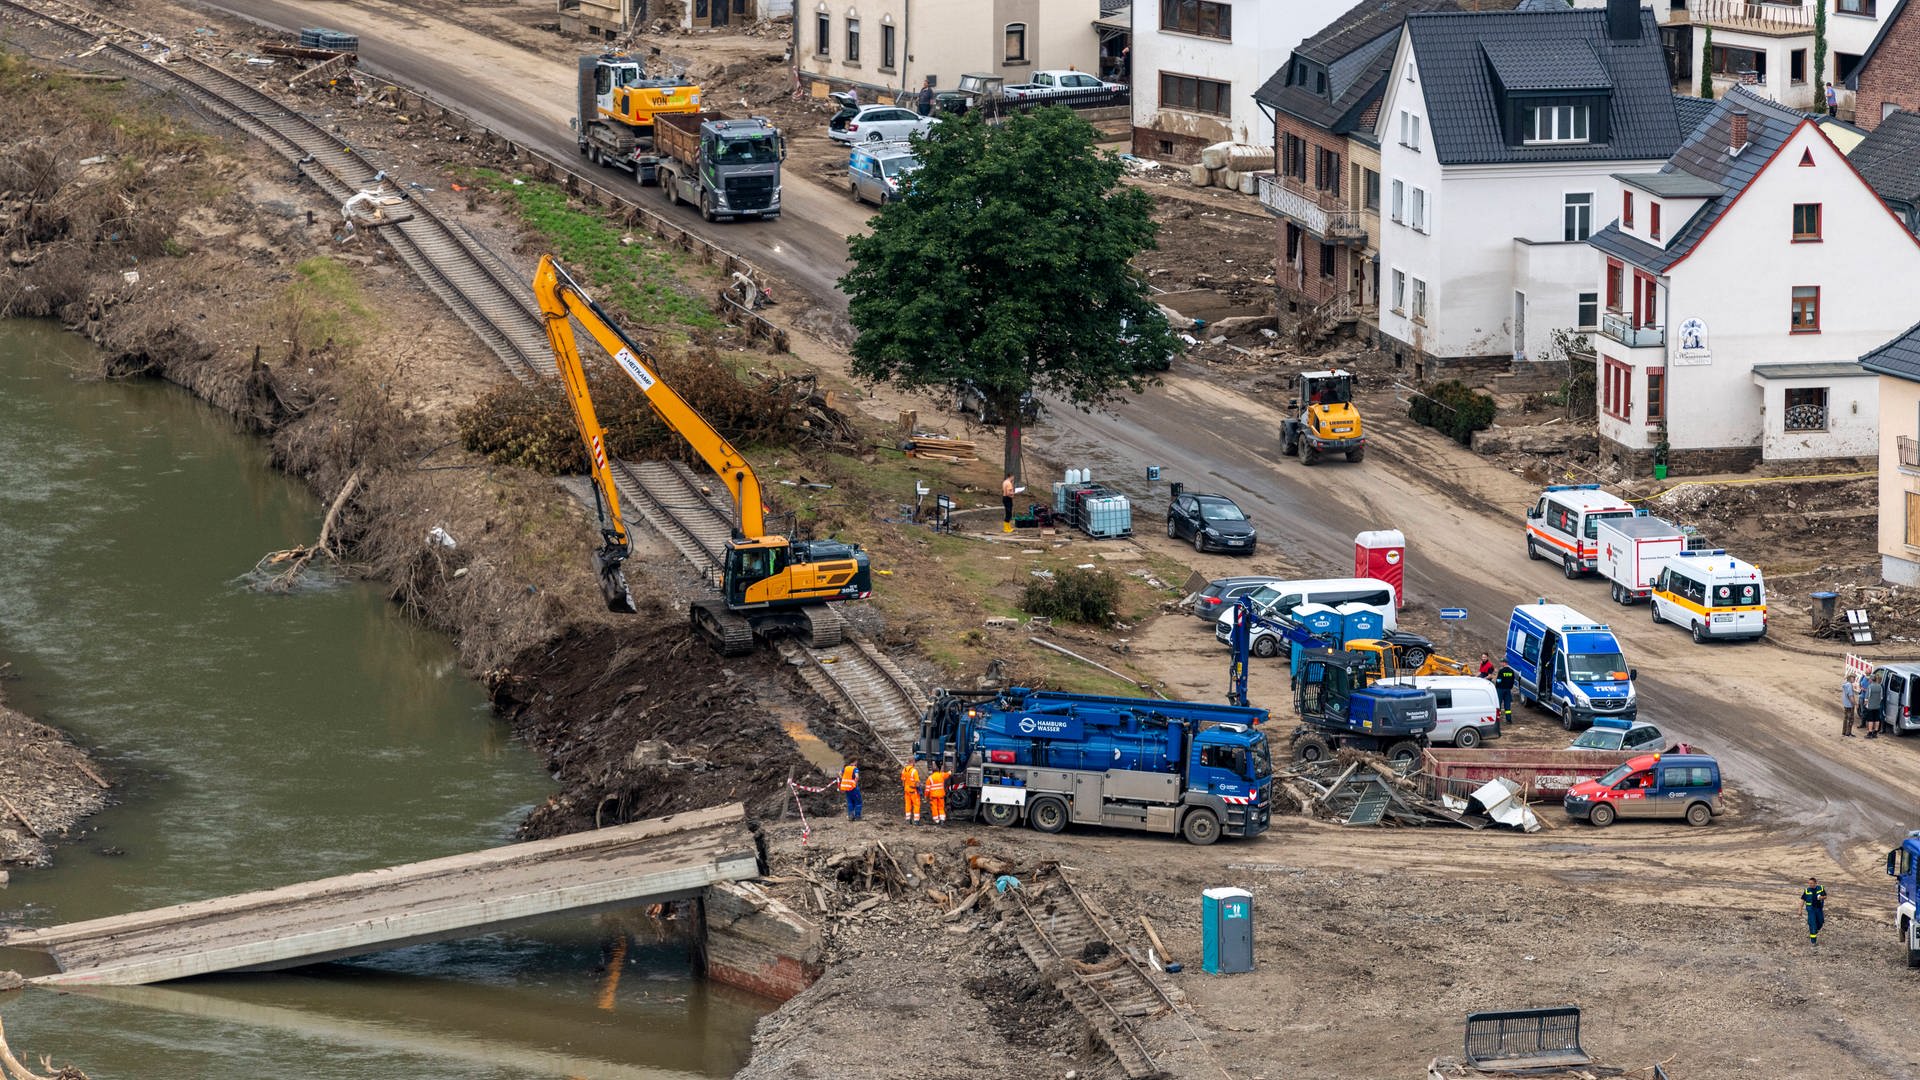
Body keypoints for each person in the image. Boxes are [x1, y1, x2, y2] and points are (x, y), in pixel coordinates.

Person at [1802, 876, 1827, 946]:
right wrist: (1799, 909)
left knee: (1821, 922)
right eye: (1809, 883)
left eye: (1812, 883)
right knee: (1813, 924)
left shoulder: (1821, 888)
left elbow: (1825, 896)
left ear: (1816, 883)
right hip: (1811, 910)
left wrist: (1821, 897)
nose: (1810, 885)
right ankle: (1813, 942)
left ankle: (1815, 931)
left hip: (1819, 909)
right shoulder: (1807, 890)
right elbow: (1802, 899)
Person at [900, 758, 923, 824]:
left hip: (906, 790)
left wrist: (904, 788)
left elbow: (903, 781)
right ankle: (916, 820)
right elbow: (917, 782)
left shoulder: (904, 770)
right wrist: (920, 790)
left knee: (908, 805)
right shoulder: (914, 771)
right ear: (912, 762)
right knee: (916, 805)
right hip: (913, 790)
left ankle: (908, 819)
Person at [1864, 670, 1885, 739]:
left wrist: (1865, 703)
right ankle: (1875, 732)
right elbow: (1881, 697)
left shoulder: (1870, 687)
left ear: (1871, 680)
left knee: (1870, 720)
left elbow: (1867, 697)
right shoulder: (1880, 686)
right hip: (1877, 706)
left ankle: (1870, 732)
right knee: (1877, 719)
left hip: (1870, 706)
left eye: (1869, 679)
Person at [1842, 673, 1858, 737]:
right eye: (1854, 678)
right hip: (1849, 705)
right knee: (1850, 719)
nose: (1855, 679)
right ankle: (1848, 733)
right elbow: (1850, 696)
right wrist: (1855, 704)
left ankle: (1844, 731)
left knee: (1845, 718)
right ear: (1850, 678)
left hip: (1845, 704)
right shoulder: (1849, 685)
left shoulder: (1845, 684)